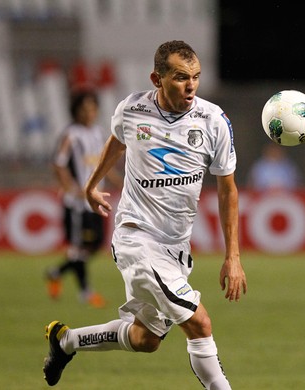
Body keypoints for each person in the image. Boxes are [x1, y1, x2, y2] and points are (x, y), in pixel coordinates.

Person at [42, 40, 247, 389]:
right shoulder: (132, 109)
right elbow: (117, 140)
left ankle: (65, 342)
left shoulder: (213, 121)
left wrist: (233, 255)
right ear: (158, 78)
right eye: (181, 77)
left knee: (145, 339)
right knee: (200, 324)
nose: (191, 85)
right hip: (137, 240)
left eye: (196, 77)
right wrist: (92, 184)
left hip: (176, 248)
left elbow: (227, 189)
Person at [46, 90, 120, 308]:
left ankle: (56, 272)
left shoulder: (98, 133)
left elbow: (102, 164)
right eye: (84, 109)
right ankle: (86, 293)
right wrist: (72, 188)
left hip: (96, 201)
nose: (89, 113)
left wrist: (121, 183)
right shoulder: (71, 134)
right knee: (78, 248)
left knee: (95, 245)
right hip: (78, 204)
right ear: (75, 111)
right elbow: (58, 163)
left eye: (92, 108)